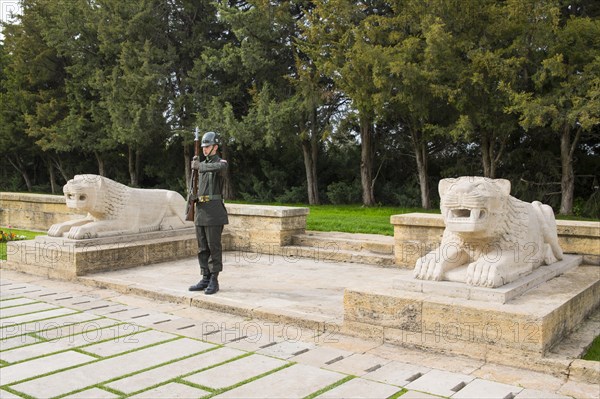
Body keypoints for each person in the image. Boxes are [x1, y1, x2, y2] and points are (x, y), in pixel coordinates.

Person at [188, 131, 228, 295]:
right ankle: (205, 276)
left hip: (214, 212)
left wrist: (200, 166)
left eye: (208, 146)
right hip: (201, 211)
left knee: (214, 247)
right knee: (202, 247)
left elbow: (219, 167)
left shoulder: (220, 163)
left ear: (215, 147)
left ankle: (214, 279)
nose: (205, 149)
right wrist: (193, 197)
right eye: (203, 147)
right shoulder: (201, 165)